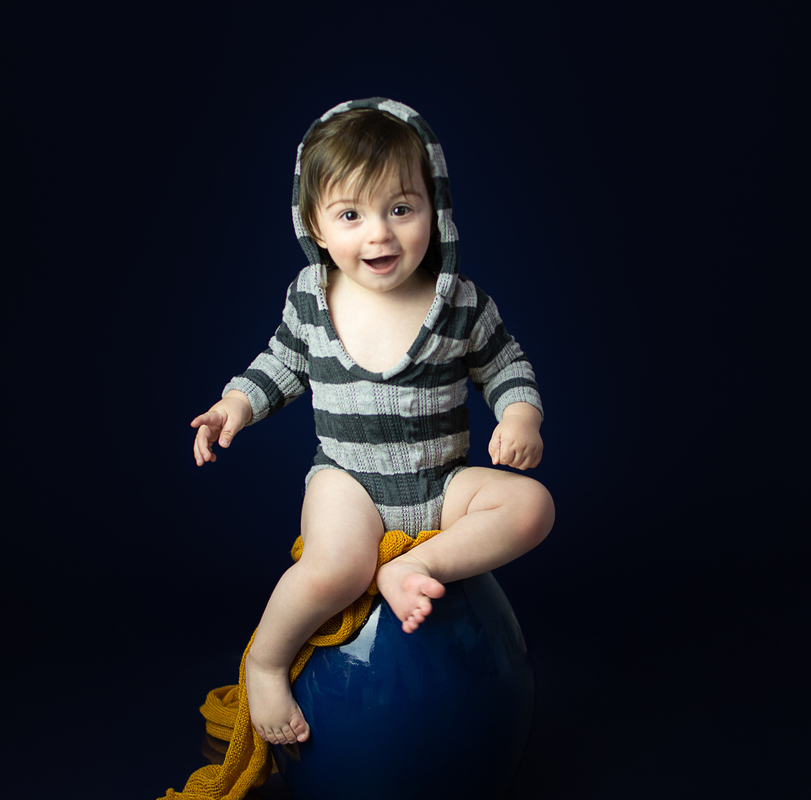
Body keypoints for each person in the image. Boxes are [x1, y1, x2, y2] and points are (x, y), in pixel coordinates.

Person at [189, 98, 555, 748]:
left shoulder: (459, 303)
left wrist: (521, 415)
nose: (379, 235)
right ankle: (266, 663)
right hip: (348, 480)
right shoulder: (311, 298)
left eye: (400, 209)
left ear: (434, 210)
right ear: (317, 226)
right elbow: (280, 365)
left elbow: (507, 365)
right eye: (352, 215)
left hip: (441, 485)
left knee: (532, 506)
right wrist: (235, 405)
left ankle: (420, 566)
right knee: (335, 566)